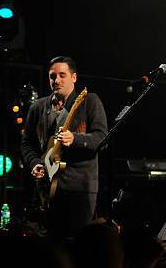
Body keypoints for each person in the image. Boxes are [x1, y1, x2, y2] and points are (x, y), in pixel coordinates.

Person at [21, 56, 108, 241]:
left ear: (74, 77)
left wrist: (75, 139)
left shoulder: (90, 101)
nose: (57, 80)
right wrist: (35, 163)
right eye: (53, 76)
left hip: (80, 189)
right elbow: (27, 142)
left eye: (62, 75)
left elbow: (101, 138)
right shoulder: (38, 107)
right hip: (46, 189)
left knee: (78, 244)